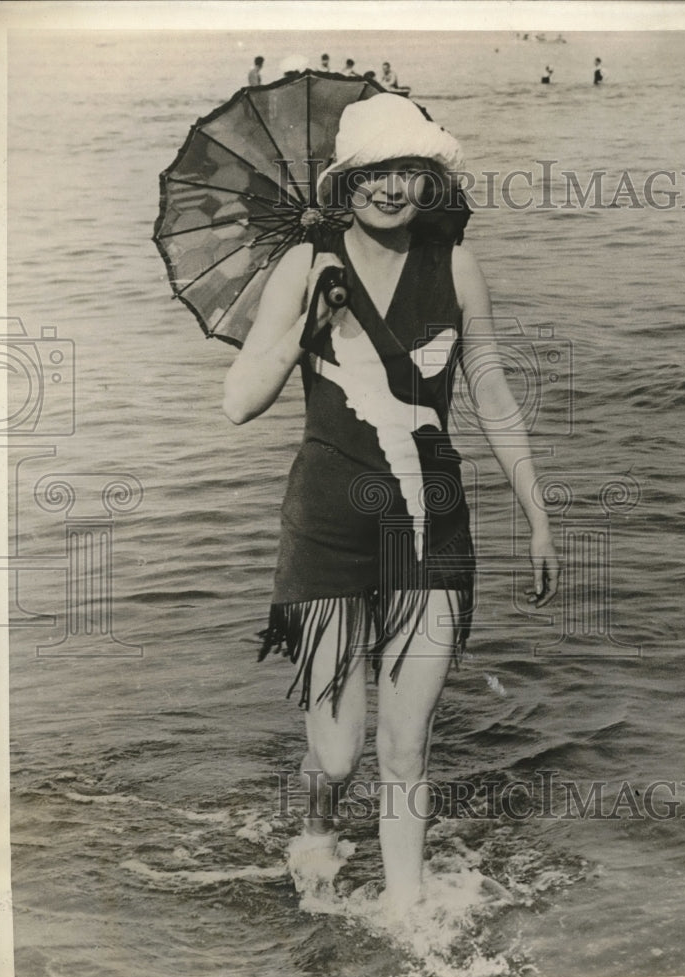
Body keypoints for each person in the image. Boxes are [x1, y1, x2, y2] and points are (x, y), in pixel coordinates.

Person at [223, 93, 559, 915]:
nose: (392, 187)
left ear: (428, 179)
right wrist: (309, 317)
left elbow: (490, 390)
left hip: (431, 523)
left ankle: (406, 921)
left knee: (406, 750)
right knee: (337, 758)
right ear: (347, 183)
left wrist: (537, 513)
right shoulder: (305, 265)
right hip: (328, 528)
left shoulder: (456, 264)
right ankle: (315, 829)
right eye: (376, 171)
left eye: (408, 170)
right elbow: (239, 401)